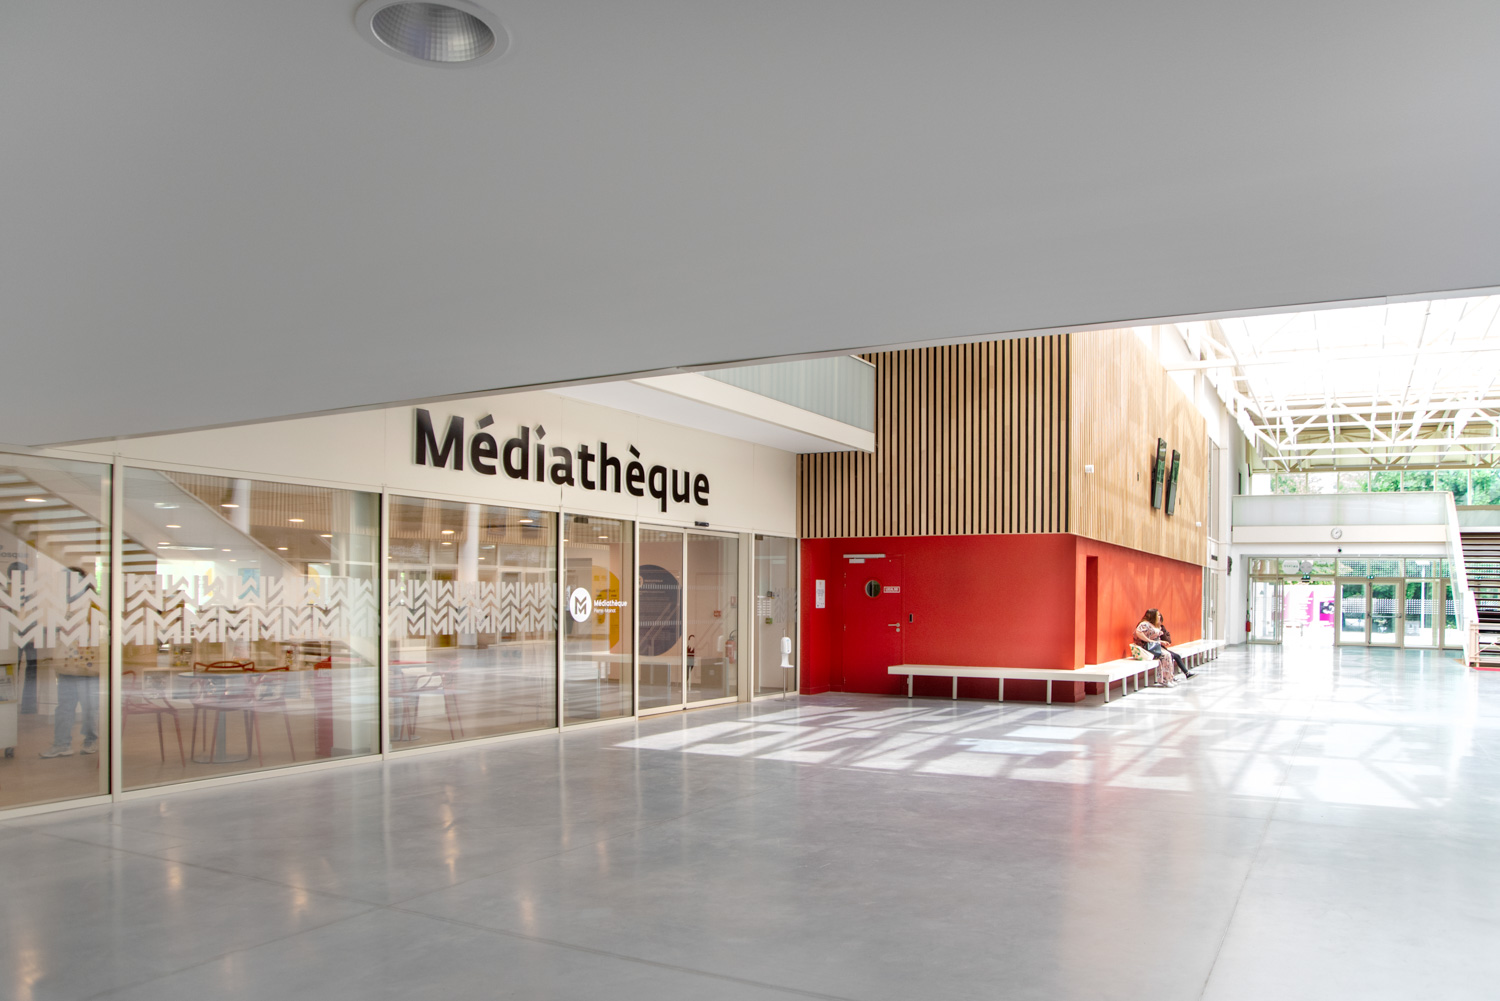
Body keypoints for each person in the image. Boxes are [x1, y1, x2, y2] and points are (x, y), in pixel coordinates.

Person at [40, 567, 102, 758]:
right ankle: (62, 743)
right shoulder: (61, 605)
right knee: (64, 706)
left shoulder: (93, 606)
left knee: (89, 706)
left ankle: (90, 739)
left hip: (87, 664)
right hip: (67, 663)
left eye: (70, 583)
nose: (67, 588)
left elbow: (100, 632)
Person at [1133, 609, 1175, 687]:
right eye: (1158, 615)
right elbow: (1138, 632)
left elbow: (1154, 638)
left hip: (1153, 646)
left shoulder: (1153, 625)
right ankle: (1165, 680)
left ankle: (1169, 678)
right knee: (1165, 655)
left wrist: (1161, 642)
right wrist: (1149, 641)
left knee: (1168, 655)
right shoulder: (1144, 624)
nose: (1159, 616)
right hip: (1146, 648)